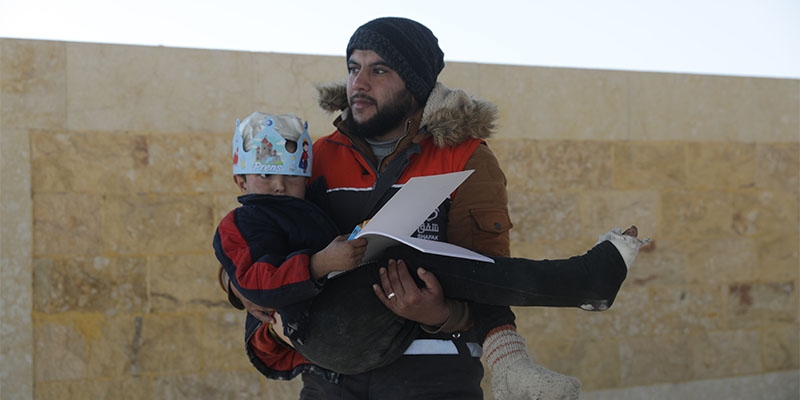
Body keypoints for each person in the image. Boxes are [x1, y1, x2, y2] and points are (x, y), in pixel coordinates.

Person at [215, 111, 648, 397]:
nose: (277, 187)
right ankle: (582, 282)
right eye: (263, 176)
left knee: (438, 267)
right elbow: (253, 280)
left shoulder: (307, 207)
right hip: (322, 339)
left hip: (372, 348)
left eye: (289, 179)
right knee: (426, 261)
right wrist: (319, 264)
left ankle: (538, 325)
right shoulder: (241, 224)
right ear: (240, 181)